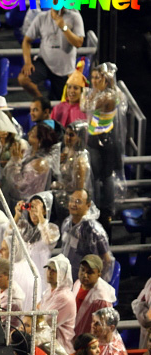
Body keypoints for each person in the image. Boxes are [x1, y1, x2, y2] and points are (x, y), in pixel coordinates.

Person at [81, 62, 127, 237]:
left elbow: (86, 106)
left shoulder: (107, 95)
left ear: (106, 79)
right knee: (96, 175)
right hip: (95, 138)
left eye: (97, 78)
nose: (93, 81)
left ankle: (105, 210)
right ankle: (98, 207)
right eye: (92, 77)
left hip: (105, 140)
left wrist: (91, 91)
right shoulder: (106, 93)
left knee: (104, 176)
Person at [18, 7, 85, 100]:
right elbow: (26, 41)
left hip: (64, 67)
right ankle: (42, 101)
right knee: (23, 79)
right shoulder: (41, 17)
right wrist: (27, 62)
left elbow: (78, 43)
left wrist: (64, 27)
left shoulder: (74, 17)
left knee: (63, 101)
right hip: (44, 62)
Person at [61, 189, 115, 283]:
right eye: (72, 200)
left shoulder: (93, 230)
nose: (73, 204)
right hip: (68, 279)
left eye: (78, 202)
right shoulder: (67, 223)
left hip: (86, 284)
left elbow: (107, 260)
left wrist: (95, 284)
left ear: (88, 205)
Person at [3, 123, 60, 209]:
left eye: (33, 133)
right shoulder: (29, 153)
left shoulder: (40, 163)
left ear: (40, 140)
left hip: (28, 207)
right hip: (17, 202)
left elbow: (19, 184)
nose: (29, 133)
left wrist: (15, 161)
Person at [13, 191, 60, 286]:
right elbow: (8, 235)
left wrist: (40, 216)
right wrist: (17, 215)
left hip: (40, 279)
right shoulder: (24, 228)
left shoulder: (52, 228)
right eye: (32, 207)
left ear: (45, 210)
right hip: (23, 277)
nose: (33, 211)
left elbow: (48, 240)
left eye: (38, 207)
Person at [51, 120, 93, 222]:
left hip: (73, 206)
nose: (67, 138)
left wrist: (59, 185)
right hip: (62, 201)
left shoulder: (80, 160)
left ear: (79, 138)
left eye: (72, 135)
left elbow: (78, 188)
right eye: (66, 133)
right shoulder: (66, 151)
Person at [38, 254, 76, 355]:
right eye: (49, 269)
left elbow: (44, 322)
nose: (49, 272)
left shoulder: (64, 297)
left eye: (54, 270)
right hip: (49, 345)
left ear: (63, 274)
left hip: (61, 350)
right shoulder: (49, 291)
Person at [72, 255, 117, 339]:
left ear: (99, 274)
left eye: (90, 272)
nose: (84, 275)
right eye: (82, 270)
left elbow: (104, 330)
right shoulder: (77, 284)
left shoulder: (102, 299)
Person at [51, 60, 88, 127]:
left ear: (82, 91)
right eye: (69, 87)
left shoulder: (85, 109)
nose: (71, 91)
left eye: (75, 88)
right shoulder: (58, 108)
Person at [131, 276, 151, 350]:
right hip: (146, 346)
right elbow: (135, 304)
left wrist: (140, 307)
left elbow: (147, 320)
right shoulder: (150, 282)